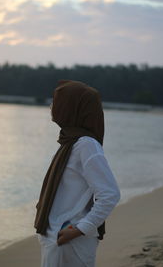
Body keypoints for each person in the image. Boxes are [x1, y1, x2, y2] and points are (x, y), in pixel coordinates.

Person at [34, 79, 121, 267]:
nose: (52, 106)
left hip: (69, 240)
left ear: (72, 108)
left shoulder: (86, 145)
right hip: (58, 237)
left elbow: (110, 194)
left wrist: (79, 229)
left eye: (58, 102)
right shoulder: (71, 142)